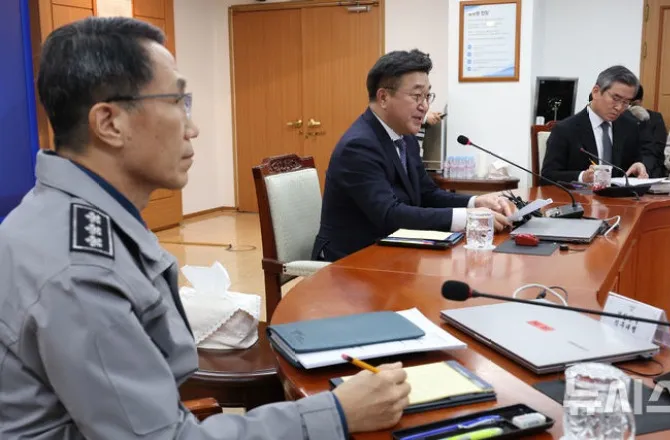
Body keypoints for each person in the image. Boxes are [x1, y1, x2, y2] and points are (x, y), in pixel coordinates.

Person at [0, 17, 411, 440]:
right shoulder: (80, 271)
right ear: (109, 123)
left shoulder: (73, 215)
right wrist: (337, 413)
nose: (193, 128)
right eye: (177, 102)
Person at [311, 49, 514, 262]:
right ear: (383, 97)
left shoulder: (405, 138)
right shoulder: (358, 146)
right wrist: (467, 218)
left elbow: (427, 194)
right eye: (417, 96)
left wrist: (475, 202)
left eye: (427, 96)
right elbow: (389, 214)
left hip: (391, 253)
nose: (424, 106)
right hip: (349, 260)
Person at [541, 66, 653, 184]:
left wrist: (638, 166)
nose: (619, 107)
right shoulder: (565, 130)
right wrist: (582, 177)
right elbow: (547, 177)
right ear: (596, 92)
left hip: (619, 195)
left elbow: (633, 165)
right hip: (581, 195)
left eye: (626, 102)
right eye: (615, 98)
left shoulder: (630, 127)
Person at [626, 85, 667, 177]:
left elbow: (658, 148)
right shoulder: (618, 118)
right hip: (624, 169)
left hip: (651, 168)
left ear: (640, 101)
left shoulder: (655, 118)